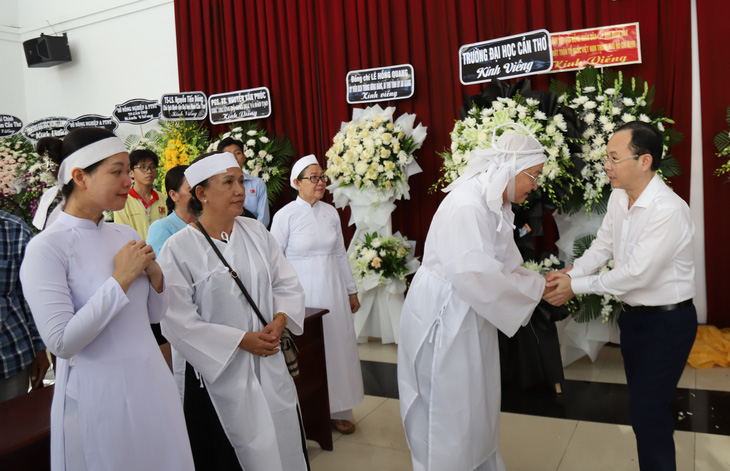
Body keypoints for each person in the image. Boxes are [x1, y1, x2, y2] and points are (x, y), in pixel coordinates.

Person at [20, 128, 194, 471]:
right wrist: (121, 279)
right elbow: (62, 342)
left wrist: (157, 278)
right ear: (80, 177)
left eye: (128, 170)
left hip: (151, 380)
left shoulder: (124, 233)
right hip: (100, 393)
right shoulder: (47, 248)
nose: (129, 180)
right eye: (117, 171)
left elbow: (154, 315)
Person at [544, 121, 697, 471]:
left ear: (644, 161)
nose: (606, 165)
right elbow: (603, 246)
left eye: (614, 158)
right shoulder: (619, 197)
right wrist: (573, 273)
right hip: (635, 321)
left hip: (667, 323)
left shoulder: (668, 211)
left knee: (648, 413)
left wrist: (575, 288)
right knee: (645, 411)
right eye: (606, 157)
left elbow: (635, 275)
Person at [397, 126, 548, 471]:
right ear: (512, 170)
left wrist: (537, 281)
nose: (535, 185)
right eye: (534, 176)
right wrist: (537, 289)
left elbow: (504, 263)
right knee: (451, 405)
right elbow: (474, 274)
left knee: (476, 400)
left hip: (471, 308)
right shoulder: (468, 204)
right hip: (447, 313)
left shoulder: (493, 201)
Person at [157, 151, 308, 470]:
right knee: (232, 453)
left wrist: (280, 321)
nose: (240, 189)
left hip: (269, 363)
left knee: (283, 439)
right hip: (218, 375)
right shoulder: (179, 248)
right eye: (228, 182)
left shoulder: (256, 233)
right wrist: (240, 340)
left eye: (240, 180)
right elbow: (177, 322)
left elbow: (286, 283)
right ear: (201, 193)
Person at [271, 154, 363, 434]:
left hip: (333, 288)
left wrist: (351, 290)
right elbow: (274, 260)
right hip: (302, 292)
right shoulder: (285, 215)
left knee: (338, 345)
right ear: (296, 183)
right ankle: (306, 412)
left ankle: (340, 408)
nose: (320, 182)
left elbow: (340, 253)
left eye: (322, 177)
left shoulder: (330, 212)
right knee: (309, 350)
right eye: (313, 177)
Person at [0, 210, 50, 402]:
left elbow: (30, 296)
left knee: (14, 428)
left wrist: (39, 349)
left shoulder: (14, 229)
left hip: (10, 357)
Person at [113, 148, 167, 239]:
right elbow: (122, 235)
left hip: (163, 251)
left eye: (152, 167)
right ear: (131, 173)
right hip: (137, 252)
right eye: (142, 167)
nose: (149, 171)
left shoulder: (164, 199)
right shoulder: (122, 202)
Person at [217, 137, 270, 226]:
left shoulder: (257, 183)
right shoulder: (216, 184)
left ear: (244, 157)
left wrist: (255, 235)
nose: (233, 157)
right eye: (228, 155)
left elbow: (263, 217)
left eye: (237, 153)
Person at [146, 165, 197, 255]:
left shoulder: (207, 220)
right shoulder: (161, 228)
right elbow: (161, 266)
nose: (198, 193)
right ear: (173, 195)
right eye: (191, 189)